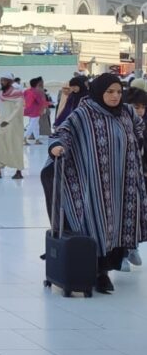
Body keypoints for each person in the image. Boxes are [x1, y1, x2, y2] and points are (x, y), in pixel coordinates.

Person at [49, 73, 147, 293]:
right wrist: (56, 147)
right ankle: (96, 270)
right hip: (95, 183)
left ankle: (108, 269)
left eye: (118, 92)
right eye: (110, 92)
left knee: (121, 225)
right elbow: (64, 131)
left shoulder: (127, 112)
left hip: (124, 182)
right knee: (97, 223)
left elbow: (140, 129)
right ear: (98, 91)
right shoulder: (84, 114)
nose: (115, 96)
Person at [0, 74, 26, 179]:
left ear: (9, 81)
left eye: (4, 80)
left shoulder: (17, 93)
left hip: (14, 124)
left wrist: (8, 120)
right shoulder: (1, 93)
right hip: (1, 123)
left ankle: (18, 171)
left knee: (15, 146)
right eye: (1, 80)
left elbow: (18, 109)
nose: (2, 82)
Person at [24, 77, 51, 145]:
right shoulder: (37, 92)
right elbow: (40, 102)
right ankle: (24, 138)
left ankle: (37, 139)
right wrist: (49, 103)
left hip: (29, 110)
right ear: (38, 83)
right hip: (35, 111)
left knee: (36, 125)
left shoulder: (27, 91)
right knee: (32, 125)